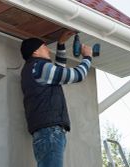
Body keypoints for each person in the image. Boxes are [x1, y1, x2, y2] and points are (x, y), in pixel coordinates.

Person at [20, 31, 93, 167]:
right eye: (44, 47)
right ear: (35, 52)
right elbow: (77, 75)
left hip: (45, 132)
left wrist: (61, 44)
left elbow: (58, 74)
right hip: (50, 132)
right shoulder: (40, 67)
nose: (48, 49)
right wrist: (87, 57)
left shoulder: (32, 69)